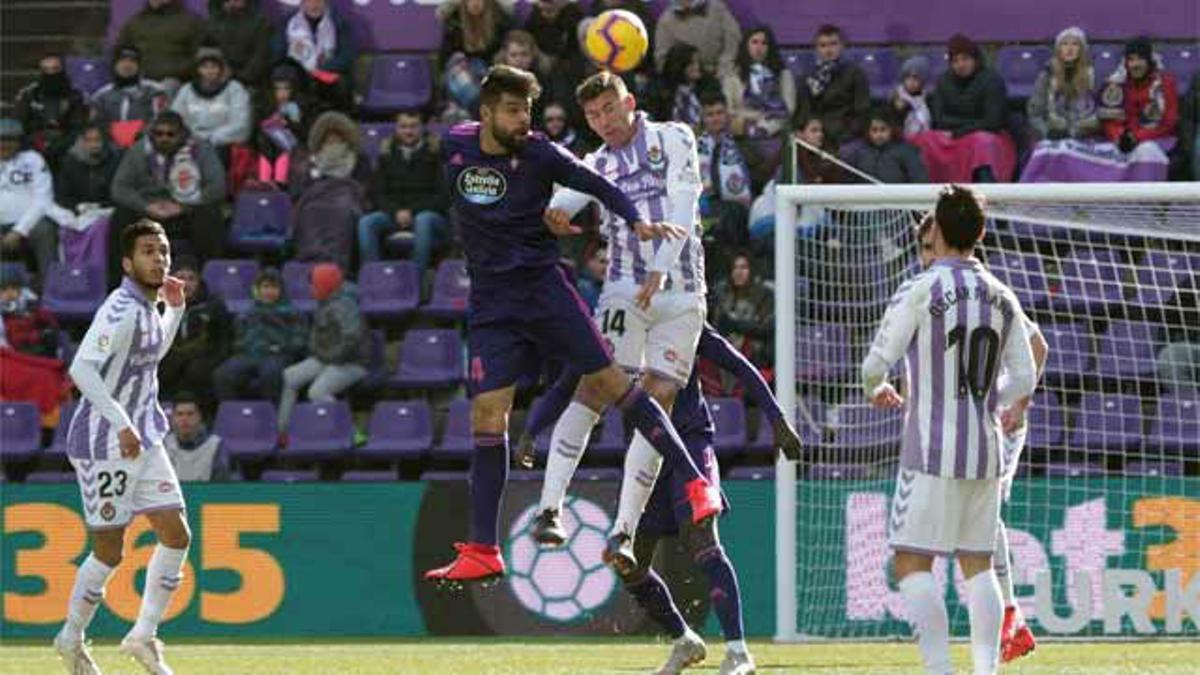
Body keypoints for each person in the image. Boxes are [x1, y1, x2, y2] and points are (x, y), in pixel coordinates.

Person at [423, 65, 721, 585]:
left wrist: (635, 221)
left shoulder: (539, 152)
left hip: (544, 291)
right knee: (487, 419)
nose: (524, 121)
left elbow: (597, 183)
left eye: (528, 112)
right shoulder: (455, 146)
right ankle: (483, 549)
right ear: (487, 112)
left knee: (611, 385)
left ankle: (696, 484)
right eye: (514, 111)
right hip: (492, 306)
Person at [517, 321, 803, 675]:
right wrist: (531, 429)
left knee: (703, 539)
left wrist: (777, 420)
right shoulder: (615, 326)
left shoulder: (681, 319)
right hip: (646, 454)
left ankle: (738, 652)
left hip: (691, 445)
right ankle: (684, 640)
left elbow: (739, 366)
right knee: (628, 563)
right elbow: (570, 382)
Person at [530, 69, 714, 574]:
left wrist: (659, 268)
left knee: (656, 403)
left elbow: (682, 202)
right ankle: (549, 509)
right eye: (592, 115)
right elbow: (564, 199)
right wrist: (554, 213)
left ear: (629, 101)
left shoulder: (673, 137)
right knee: (596, 387)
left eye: (609, 109)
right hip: (624, 290)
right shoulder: (597, 162)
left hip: (680, 292)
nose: (603, 121)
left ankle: (623, 531)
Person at [861, 186, 1038, 675]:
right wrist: (995, 403)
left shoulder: (921, 288)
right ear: (980, 234)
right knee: (977, 566)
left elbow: (876, 361)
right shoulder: (1003, 296)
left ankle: (939, 670)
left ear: (935, 229)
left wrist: (874, 387)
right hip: (984, 450)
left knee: (911, 564)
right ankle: (986, 672)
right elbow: (1025, 375)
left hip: (930, 451)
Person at [53, 220, 189, 675]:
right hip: (106, 442)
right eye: (149, 251)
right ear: (128, 263)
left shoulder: (148, 307)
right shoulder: (120, 309)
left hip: (143, 437)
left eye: (164, 250)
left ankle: (143, 636)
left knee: (176, 534)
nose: (160, 259)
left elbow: (151, 354)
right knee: (109, 551)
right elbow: (81, 370)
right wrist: (122, 423)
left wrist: (175, 312)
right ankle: (71, 639)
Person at [911, 214, 1047, 664]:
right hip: (962, 420)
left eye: (936, 247)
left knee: (978, 513)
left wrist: (1018, 404)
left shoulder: (985, 290)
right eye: (924, 249)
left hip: (998, 419)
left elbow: (1038, 345)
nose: (929, 256)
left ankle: (1010, 617)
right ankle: (1011, 618)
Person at [110, 111, 227, 286]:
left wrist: (183, 206)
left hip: (187, 209)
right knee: (120, 217)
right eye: (158, 134)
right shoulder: (139, 150)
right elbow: (119, 188)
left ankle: (206, 284)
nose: (164, 138)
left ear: (182, 134)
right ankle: (119, 286)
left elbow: (218, 187)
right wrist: (146, 206)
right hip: (149, 210)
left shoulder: (201, 150)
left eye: (170, 134)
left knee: (211, 215)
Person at [909, 34, 1015, 183]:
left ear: (975, 59)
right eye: (955, 61)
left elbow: (992, 121)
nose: (960, 65)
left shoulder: (992, 80)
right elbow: (939, 119)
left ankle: (987, 192)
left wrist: (961, 130)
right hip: (952, 134)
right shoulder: (944, 81)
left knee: (981, 142)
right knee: (922, 140)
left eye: (965, 59)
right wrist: (959, 129)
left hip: (985, 133)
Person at [278, 263, 366, 432]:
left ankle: (352, 433)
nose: (310, 288)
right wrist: (319, 352)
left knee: (317, 392)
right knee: (289, 377)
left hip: (352, 362)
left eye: (314, 284)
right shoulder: (323, 302)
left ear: (325, 284)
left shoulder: (345, 306)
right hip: (326, 357)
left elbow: (352, 340)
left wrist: (329, 357)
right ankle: (283, 431)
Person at [358, 110, 449, 275]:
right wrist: (396, 213)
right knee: (366, 222)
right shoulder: (386, 154)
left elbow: (443, 197)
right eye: (403, 126)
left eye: (413, 126)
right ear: (396, 129)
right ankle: (375, 278)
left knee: (423, 220)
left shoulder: (435, 154)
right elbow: (378, 194)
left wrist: (412, 212)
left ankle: (414, 280)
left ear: (421, 128)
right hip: (395, 215)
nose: (408, 131)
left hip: (429, 216)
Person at [289, 111, 370, 272]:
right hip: (317, 198)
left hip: (346, 196)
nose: (333, 140)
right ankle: (312, 257)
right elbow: (302, 188)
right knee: (310, 209)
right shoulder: (312, 160)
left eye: (337, 136)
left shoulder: (359, 158)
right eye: (328, 136)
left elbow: (363, 185)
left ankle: (337, 261)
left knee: (342, 210)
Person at [212, 267, 307, 403]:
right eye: (265, 287)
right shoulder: (247, 314)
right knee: (222, 375)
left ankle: (270, 416)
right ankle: (233, 414)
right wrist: (245, 345)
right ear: (258, 289)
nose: (269, 292)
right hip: (248, 354)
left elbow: (299, 340)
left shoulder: (293, 314)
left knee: (270, 375)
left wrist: (281, 347)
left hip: (277, 355)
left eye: (274, 287)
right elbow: (238, 337)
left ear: (281, 291)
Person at [1097, 36, 1179, 176]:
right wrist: (1120, 137)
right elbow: (1109, 120)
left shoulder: (1165, 83)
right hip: (1121, 142)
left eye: (1140, 59)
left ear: (1149, 60)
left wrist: (1135, 137)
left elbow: (1167, 123)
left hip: (1157, 140)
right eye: (1131, 59)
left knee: (1146, 151)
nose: (1135, 64)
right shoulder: (1115, 84)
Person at [157, 255, 232, 405]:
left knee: (197, 372)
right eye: (181, 277)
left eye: (191, 278)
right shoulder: (158, 306)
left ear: (199, 282)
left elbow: (225, 340)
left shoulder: (213, 306)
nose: (186, 283)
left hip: (204, 363)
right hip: (169, 362)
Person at [271, 0, 359, 113]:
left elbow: (347, 56)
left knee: (341, 83)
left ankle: (335, 122)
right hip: (298, 74)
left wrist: (322, 70)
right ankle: (289, 121)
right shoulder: (288, 21)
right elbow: (278, 52)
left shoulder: (339, 22)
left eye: (318, 1)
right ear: (302, 2)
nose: (314, 5)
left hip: (327, 73)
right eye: (310, 1)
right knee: (283, 77)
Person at [0, 119, 59, 280]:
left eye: (10, 139)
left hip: (29, 224)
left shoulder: (33, 159)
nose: (4, 144)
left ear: (19, 141)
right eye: (1, 139)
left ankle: (51, 290)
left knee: (45, 230)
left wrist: (19, 230)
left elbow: (43, 200)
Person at [170, 46, 253, 159]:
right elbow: (175, 118)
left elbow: (241, 124)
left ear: (221, 68)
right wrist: (194, 137)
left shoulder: (235, 89)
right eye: (204, 67)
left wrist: (213, 138)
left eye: (213, 67)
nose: (209, 71)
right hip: (191, 143)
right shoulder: (187, 90)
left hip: (224, 145)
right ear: (198, 69)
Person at [795, 24, 870, 148]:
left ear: (842, 45)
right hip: (813, 136)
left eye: (833, 44)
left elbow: (862, 112)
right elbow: (803, 111)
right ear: (816, 48)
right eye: (823, 45)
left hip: (843, 138)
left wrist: (845, 135)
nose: (828, 50)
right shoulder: (807, 76)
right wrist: (807, 132)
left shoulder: (855, 74)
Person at [437, 0, 514, 118]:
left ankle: (477, 110)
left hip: (487, 68)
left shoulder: (499, 19)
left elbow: (504, 47)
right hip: (462, 72)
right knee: (457, 62)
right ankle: (479, 108)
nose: (475, 3)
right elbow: (446, 55)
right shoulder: (454, 20)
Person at [697, 92, 753, 249]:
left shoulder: (741, 143)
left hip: (735, 208)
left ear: (727, 115)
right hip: (704, 205)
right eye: (710, 114)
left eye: (719, 113)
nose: (715, 118)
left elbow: (757, 174)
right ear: (703, 118)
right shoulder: (693, 146)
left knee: (732, 216)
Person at [13, 54, 88, 170]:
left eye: (55, 69)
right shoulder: (28, 95)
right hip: (33, 149)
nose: (51, 73)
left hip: (67, 150)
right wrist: (37, 144)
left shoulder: (75, 96)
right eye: (46, 69)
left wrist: (59, 146)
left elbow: (78, 128)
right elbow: (19, 126)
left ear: (63, 70)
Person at [1026, 27, 1100, 142]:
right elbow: (1035, 114)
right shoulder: (1047, 75)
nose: (1069, 49)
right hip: (1053, 135)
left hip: (1085, 136)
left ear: (1082, 49)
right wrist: (1047, 132)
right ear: (1058, 49)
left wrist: (1079, 132)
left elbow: (1099, 114)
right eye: (1064, 44)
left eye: (1075, 44)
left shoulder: (1093, 76)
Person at [90, 45, 169, 150]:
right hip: (110, 148)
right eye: (122, 61)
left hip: (145, 146)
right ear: (114, 65)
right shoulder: (101, 95)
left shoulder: (154, 91)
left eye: (132, 61)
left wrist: (139, 136)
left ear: (139, 66)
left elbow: (159, 119)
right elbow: (97, 124)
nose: (127, 65)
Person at [709, 251, 772, 381]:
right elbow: (717, 326)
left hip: (754, 356)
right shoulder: (723, 294)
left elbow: (765, 328)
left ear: (751, 270)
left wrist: (734, 324)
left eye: (743, 267)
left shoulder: (765, 294)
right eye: (735, 268)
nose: (738, 272)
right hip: (725, 354)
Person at [722, 26, 795, 139]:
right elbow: (728, 109)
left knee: (778, 120)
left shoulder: (783, 74)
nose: (759, 47)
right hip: (741, 126)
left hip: (774, 126)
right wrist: (756, 116)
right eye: (754, 42)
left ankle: (760, 132)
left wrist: (767, 118)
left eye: (764, 43)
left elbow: (789, 108)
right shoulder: (732, 75)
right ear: (746, 45)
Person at [115, 0, 207, 84]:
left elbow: (200, 59)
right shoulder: (135, 22)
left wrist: (175, 73)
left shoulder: (192, 22)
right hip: (139, 82)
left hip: (176, 83)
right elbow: (119, 53)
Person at [653, 0, 742, 79]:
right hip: (686, 81)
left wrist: (724, 65)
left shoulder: (717, 8)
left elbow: (733, 37)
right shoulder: (666, 21)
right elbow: (662, 60)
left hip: (721, 73)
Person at [845, 108, 930, 183]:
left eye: (883, 129)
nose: (879, 135)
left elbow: (920, 182)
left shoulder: (907, 152)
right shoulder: (859, 154)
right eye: (874, 130)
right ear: (868, 132)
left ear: (891, 130)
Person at [204, 0, 273, 88]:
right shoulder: (214, 21)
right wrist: (217, 71)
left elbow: (260, 57)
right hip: (216, 77)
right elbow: (207, 50)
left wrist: (239, 78)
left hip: (248, 82)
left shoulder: (259, 22)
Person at [164, 391, 231, 482]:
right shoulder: (165, 445)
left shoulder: (215, 446)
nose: (184, 419)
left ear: (200, 417)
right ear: (172, 419)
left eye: (190, 414)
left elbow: (221, 486)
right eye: (179, 414)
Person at [658, 43, 722, 128]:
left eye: (698, 62)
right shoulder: (663, 93)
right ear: (680, 66)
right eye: (692, 63)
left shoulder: (710, 87)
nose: (697, 66)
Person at [0, 272, 59, 357]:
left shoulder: (27, 301)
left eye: (14, 289)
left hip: (34, 339)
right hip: (19, 348)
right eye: (5, 290)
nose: (10, 292)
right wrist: (38, 335)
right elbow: (14, 338)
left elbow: (45, 319)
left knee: (51, 338)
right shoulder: (6, 314)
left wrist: (47, 323)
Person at [891, 55, 932, 138]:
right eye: (907, 77)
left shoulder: (927, 99)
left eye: (915, 78)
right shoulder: (896, 97)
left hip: (925, 140)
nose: (911, 82)